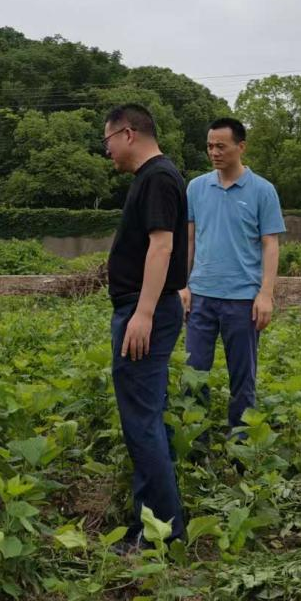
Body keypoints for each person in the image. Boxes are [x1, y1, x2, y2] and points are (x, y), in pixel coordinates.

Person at [102, 103, 188, 545]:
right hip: (143, 306)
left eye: (108, 141)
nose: (107, 151)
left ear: (128, 134)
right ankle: (158, 522)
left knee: (141, 422)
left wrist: (145, 313)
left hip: (143, 310)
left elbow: (162, 247)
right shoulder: (155, 176)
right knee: (146, 417)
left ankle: (159, 532)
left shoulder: (156, 177)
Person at [179, 117, 286, 436]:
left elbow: (270, 244)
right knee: (193, 373)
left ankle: (241, 444)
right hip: (200, 297)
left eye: (221, 146)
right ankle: (195, 442)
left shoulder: (262, 190)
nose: (214, 152)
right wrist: (182, 285)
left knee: (243, 377)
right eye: (210, 146)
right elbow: (189, 240)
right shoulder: (196, 187)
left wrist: (265, 294)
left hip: (243, 300)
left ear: (241, 147)